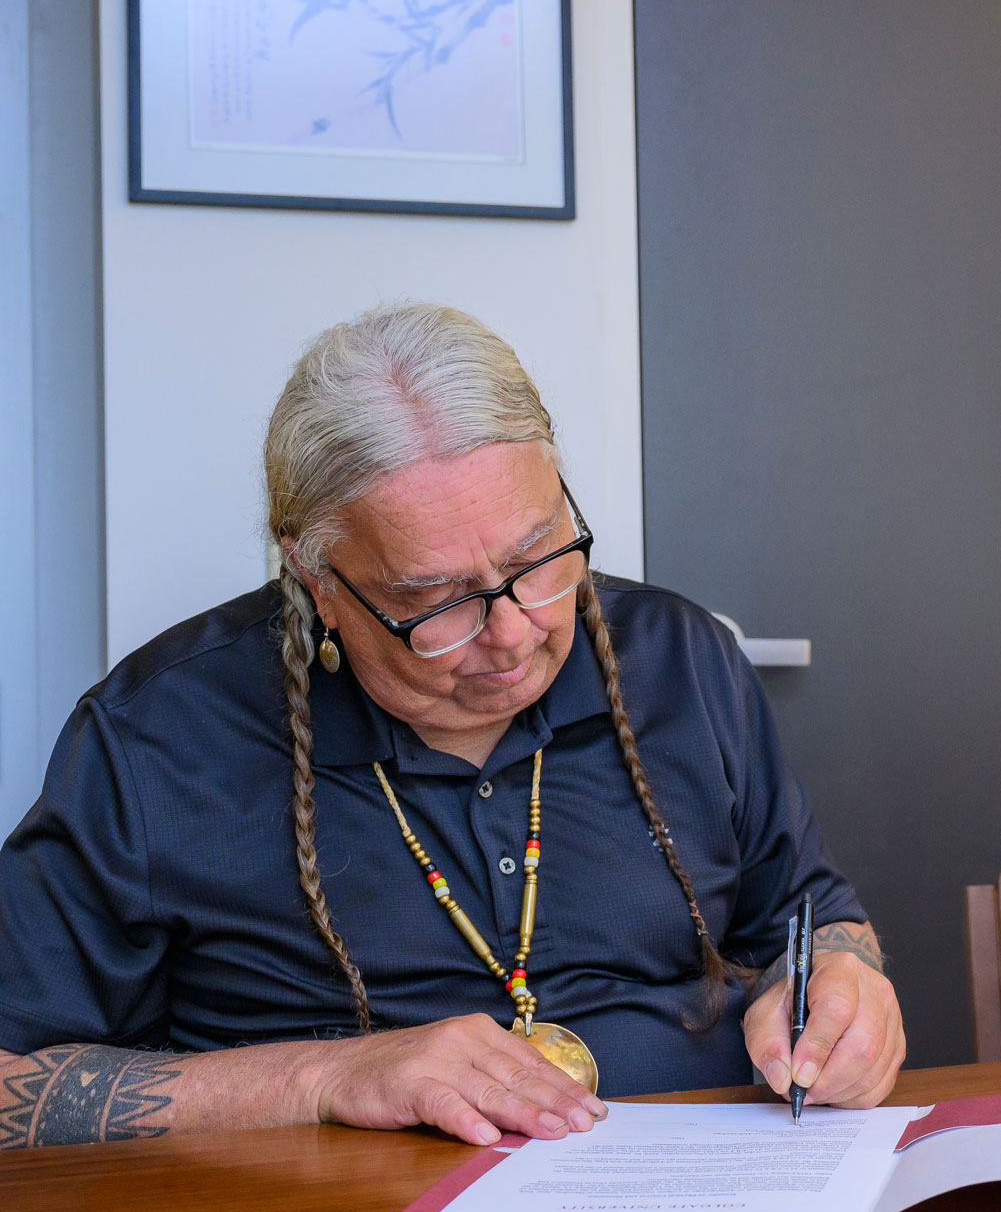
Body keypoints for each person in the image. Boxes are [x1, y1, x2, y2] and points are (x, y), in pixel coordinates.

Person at [0, 303, 903, 1150]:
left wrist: (844, 984)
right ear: (318, 578)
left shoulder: (681, 659)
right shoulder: (157, 738)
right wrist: (321, 1076)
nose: (514, 633)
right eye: (435, 602)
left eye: (540, 557)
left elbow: (810, 918)